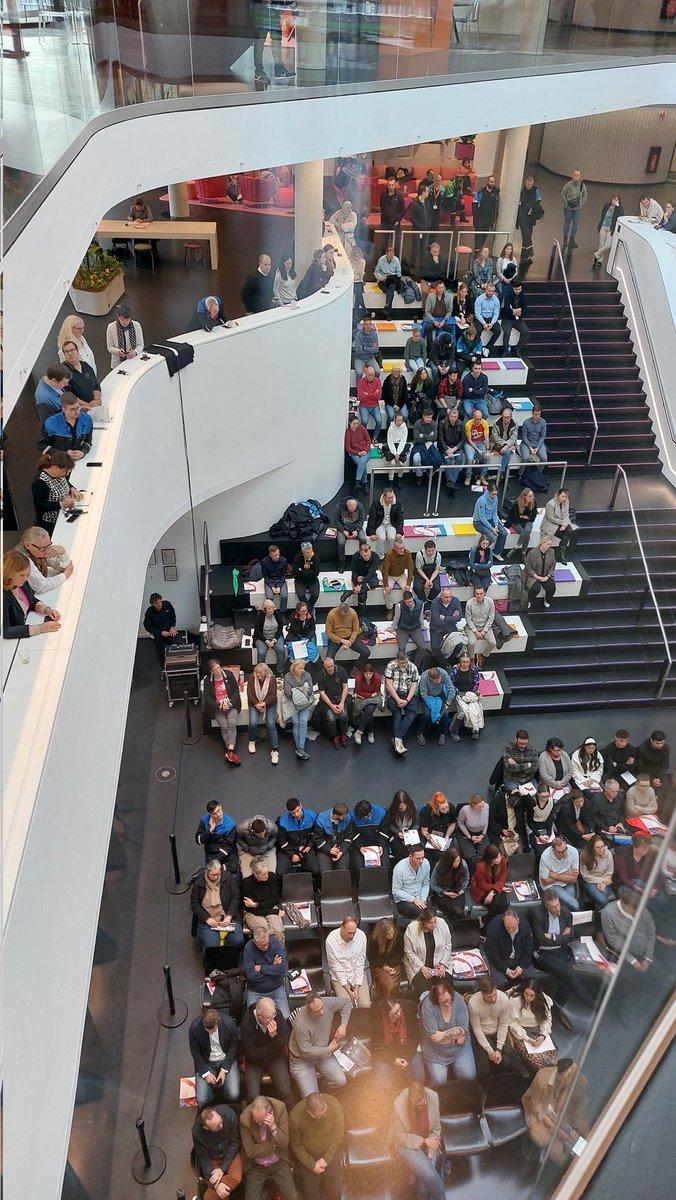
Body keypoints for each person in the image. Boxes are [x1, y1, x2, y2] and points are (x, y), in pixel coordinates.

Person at [531, 890, 592, 1007]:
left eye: (558, 904)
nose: (557, 909)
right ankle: (592, 1004)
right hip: (544, 952)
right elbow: (541, 939)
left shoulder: (565, 911)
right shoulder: (536, 914)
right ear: (546, 906)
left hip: (560, 950)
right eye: (553, 907)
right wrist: (562, 936)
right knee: (568, 974)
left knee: (566, 978)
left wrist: (553, 937)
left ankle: (558, 1005)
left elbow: (571, 936)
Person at [522, 1059, 589, 1165]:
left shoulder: (572, 1073)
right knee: (556, 1144)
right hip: (538, 1112)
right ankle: (569, 1162)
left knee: (573, 1129)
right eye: (564, 1078)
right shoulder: (542, 1080)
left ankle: (582, 1149)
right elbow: (537, 1109)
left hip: (554, 1108)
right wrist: (558, 1131)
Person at [288, 993, 352, 1096]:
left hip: (323, 1055)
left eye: (322, 1007)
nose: (322, 1012)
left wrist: (343, 1025)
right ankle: (313, 1093)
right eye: (317, 1011)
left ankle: (323, 1089)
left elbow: (346, 1003)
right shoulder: (300, 1023)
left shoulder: (326, 1002)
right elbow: (306, 1051)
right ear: (309, 1011)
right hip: (302, 1061)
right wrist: (329, 1049)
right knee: (312, 1099)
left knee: (340, 1080)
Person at [391, 1081, 445, 1200]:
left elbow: (436, 1128)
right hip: (407, 1144)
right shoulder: (398, 1104)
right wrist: (424, 1141)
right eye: (415, 1106)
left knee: (425, 1179)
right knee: (429, 1174)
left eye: (421, 1104)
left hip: (429, 1140)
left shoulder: (433, 1097)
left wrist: (431, 1150)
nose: (419, 1107)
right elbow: (400, 1136)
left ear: (425, 1096)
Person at [413, 981, 476, 1083]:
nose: (446, 1004)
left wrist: (442, 1034)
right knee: (439, 1082)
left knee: (469, 1077)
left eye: (448, 1000)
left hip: (460, 1048)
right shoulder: (428, 1006)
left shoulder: (458, 999)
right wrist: (455, 1039)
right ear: (436, 1000)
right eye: (442, 1002)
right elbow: (433, 1037)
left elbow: (462, 1030)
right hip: (435, 1051)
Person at [240, 1095, 297, 1200]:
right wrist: (272, 1145)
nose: (258, 1123)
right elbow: (250, 1151)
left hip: (278, 1162)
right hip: (256, 1166)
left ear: (270, 1114)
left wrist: (273, 1127)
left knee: (292, 1197)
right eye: (256, 1120)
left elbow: (284, 1142)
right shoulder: (245, 1119)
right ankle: (270, 1194)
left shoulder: (280, 1109)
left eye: (262, 1121)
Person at [289, 1091, 344, 1200]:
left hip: (329, 1152)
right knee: (310, 1195)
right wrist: (311, 1165)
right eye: (319, 1116)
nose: (323, 1116)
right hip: (308, 1156)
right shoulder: (295, 1117)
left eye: (325, 1112)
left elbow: (338, 1134)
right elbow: (296, 1144)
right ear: (309, 1113)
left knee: (335, 1191)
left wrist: (326, 1159)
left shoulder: (334, 1104)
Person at [240, 998, 292, 1109]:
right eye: (268, 1018)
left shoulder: (277, 1015)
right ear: (259, 1016)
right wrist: (273, 1046)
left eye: (273, 1015)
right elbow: (252, 1055)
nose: (272, 1020)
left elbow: (282, 1044)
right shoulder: (246, 1024)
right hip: (255, 1064)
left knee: (286, 1092)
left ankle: (287, 1119)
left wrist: (274, 1037)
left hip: (275, 1059)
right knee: (253, 1097)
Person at [2, 550, 61, 640]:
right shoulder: (3, 597)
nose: (26, 578)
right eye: (22, 575)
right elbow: (6, 631)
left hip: (28, 625)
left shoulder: (21, 583)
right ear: (9, 574)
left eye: (27, 574)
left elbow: (31, 600)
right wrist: (40, 628)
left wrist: (46, 609)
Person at [190, 860, 244, 954]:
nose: (215, 877)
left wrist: (229, 916)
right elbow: (195, 904)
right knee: (212, 946)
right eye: (213, 875)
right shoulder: (199, 883)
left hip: (226, 916)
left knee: (238, 940)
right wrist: (206, 918)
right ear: (207, 871)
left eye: (217, 874)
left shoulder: (227, 877)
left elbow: (235, 897)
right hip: (208, 919)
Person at [189, 1007, 240, 1105]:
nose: (210, 1033)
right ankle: (212, 1097)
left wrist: (224, 1069)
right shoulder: (194, 1028)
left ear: (218, 1021)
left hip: (226, 1059)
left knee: (233, 1094)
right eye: (207, 1029)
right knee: (202, 1100)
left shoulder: (229, 1024)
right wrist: (205, 1073)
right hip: (207, 1062)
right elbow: (195, 1051)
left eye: (213, 1030)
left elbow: (234, 1047)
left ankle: (224, 1096)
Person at [191, 1105, 242, 1200]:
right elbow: (203, 1157)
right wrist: (216, 1185)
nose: (221, 1126)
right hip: (213, 1157)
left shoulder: (229, 1114)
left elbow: (235, 1143)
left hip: (230, 1153)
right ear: (206, 1128)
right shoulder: (197, 1132)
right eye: (217, 1127)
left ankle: (207, 1197)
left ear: (216, 1111)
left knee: (236, 1178)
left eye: (221, 1122)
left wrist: (222, 1169)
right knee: (223, 1192)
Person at [403, 909, 453, 999]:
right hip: (419, 967)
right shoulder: (411, 929)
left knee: (446, 992)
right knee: (426, 996)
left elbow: (448, 945)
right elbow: (409, 952)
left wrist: (443, 964)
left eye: (435, 921)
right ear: (423, 921)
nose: (434, 924)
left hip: (440, 965)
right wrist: (422, 967)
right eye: (431, 922)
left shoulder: (442, 924)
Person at [507, 979, 556, 1071]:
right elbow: (512, 1023)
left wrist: (543, 1035)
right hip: (521, 1029)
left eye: (531, 995)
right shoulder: (515, 1001)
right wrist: (527, 1039)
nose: (528, 998)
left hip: (538, 1029)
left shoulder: (543, 1000)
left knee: (552, 1061)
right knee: (535, 1061)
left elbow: (547, 1019)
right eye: (526, 994)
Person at [601, 888, 656, 970]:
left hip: (645, 951)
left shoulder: (642, 909)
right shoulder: (608, 913)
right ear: (624, 904)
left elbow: (651, 933)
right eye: (634, 911)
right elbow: (613, 940)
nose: (638, 913)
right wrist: (632, 960)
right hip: (625, 954)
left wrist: (648, 958)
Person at [201, 659, 242, 766]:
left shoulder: (229, 674)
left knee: (232, 724)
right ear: (211, 671)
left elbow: (236, 691)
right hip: (216, 707)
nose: (218, 670)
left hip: (231, 704)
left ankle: (230, 751)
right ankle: (231, 752)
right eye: (215, 669)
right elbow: (208, 698)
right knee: (224, 726)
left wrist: (230, 704)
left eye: (219, 667)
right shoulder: (207, 681)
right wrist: (219, 706)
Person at [12, 527, 72, 596]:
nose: (47, 551)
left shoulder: (40, 548)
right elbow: (41, 587)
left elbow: (61, 567)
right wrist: (65, 575)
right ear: (28, 545)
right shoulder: (22, 560)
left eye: (49, 545)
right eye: (43, 548)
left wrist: (62, 551)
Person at [244, 926, 290, 1017]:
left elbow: (281, 968)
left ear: (268, 936)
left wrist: (261, 968)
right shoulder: (248, 948)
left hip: (276, 989)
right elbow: (251, 976)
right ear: (254, 942)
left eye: (267, 944)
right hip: (255, 991)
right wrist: (272, 967)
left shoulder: (275, 943)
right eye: (262, 945)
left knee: (285, 1018)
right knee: (253, 1020)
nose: (265, 947)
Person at [325, 916, 371, 1008]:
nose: (352, 936)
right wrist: (349, 991)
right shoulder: (330, 940)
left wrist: (356, 987)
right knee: (347, 1006)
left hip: (356, 973)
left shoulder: (361, 936)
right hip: (339, 977)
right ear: (342, 928)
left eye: (354, 933)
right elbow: (337, 968)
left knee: (365, 1005)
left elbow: (360, 963)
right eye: (349, 933)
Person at [468, 978, 510, 1076]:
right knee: (484, 1070)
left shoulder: (503, 999)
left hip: (497, 1031)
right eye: (489, 997)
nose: (493, 999)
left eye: (494, 995)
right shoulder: (473, 1003)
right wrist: (490, 1051)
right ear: (482, 994)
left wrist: (498, 1049)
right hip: (481, 1034)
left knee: (508, 1063)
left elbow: (503, 1024)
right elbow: (477, 1029)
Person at [31, 449, 81, 531]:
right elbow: (40, 506)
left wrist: (72, 488)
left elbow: (64, 482)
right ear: (56, 467)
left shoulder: (59, 474)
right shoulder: (40, 482)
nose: (66, 474)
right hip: (49, 523)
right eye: (65, 471)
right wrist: (61, 504)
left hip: (63, 514)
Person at [484, 908, 533, 990]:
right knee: (499, 983)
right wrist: (505, 969)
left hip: (519, 958)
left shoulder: (525, 926)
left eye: (513, 927)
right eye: (507, 927)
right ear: (503, 920)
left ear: (518, 921)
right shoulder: (494, 927)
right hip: (500, 959)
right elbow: (492, 953)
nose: (510, 930)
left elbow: (529, 948)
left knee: (531, 979)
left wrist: (521, 966)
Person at [384, 650, 420, 755]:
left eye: (405, 662)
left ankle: (397, 738)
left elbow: (414, 685)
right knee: (397, 714)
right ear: (397, 661)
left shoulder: (412, 667)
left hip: (408, 693)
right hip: (394, 693)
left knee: (412, 713)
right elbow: (389, 685)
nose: (404, 664)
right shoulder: (391, 666)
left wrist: (407, 700)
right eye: (401, 662)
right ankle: (398, 741)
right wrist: (398, 699)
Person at [251, 0, 295, 83]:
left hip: (273, 9)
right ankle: (259, 71)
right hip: (262, 10)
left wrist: (289, 4)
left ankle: (278, 68)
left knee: (276, 39)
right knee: (260, 40)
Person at [242, 857, 284, 941]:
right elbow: (253, 910)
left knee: (278, 933)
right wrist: (275, 912)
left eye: (267, 872)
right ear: (255, 874)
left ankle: (279, 954)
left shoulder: (272, 877)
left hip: (269, 907)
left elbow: (273, 900)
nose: (267, 876)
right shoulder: (247, 883)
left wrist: (255, 904)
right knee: (263, 933)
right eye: (264, 874)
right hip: (253, 913)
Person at [247, 663, 280, 764]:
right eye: (257, 673)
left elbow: (273, 695)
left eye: (260, 673)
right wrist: (257, 704)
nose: (257, 675)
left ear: (265, 673)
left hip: (269, 704)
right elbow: (250, 694)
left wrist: (264, 704)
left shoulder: (272, 679)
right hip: (255, 703)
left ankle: (275, 749)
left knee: (270, 724)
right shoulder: (251, 678)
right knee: (253, 723)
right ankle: (252, 740)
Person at [282, 659, 314, 760]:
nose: (302, 670)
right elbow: (287, 693)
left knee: (303, 722)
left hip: (304, 702)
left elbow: (310, 690)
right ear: (293, 668)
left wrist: (295, 691)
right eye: (299, 668)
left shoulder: (307, 675)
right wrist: (302, 690)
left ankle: (301, 747)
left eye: (303, 668)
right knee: (296, 723)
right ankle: (298, 747)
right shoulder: (287, 676)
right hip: (292, 704)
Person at [276, 798, 318, 875]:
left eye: (298, 810)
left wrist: (309, 845)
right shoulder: (282, 821)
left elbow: (316, 834)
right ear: (289, 812)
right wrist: (291, 855)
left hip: (307, 849)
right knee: (280, 873)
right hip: (289, 849)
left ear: (301, 805)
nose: (296, 814)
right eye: (292, 813)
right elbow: (282, 841)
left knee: (316, 870)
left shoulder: (313, 816)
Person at [324, 598, 371, 666]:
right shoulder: (331, 614)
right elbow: (328, 632)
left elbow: (355, 630)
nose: (343, 617)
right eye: (341, 615)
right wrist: (341, 640)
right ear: (338, 611)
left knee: (366, 652)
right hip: (336, 637)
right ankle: (336, 670)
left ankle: (356, 668)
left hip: (349, 636)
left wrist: (350, 642)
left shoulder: (352, 613)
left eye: (345, 615)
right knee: (328, 659)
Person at [538, 837, 581, 910]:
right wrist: (566, 873)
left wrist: (554, 876)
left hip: (567, 883)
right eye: (560, 852)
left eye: (565, 849)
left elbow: (573, 879)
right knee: (574, 904)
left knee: (570, 905)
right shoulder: (545, 857)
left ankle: (567, 918)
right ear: (554, 851)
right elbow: (545, 881)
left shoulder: (573, 851)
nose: (565, 853)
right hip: (552, 885)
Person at [449, 653, 484, 742]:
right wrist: (459, 694)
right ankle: (453, 731)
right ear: (460, 662)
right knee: (461, 713)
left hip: (470, 693)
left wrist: (473, 693)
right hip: (458, 694)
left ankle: (475, 729)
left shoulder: (473, 669)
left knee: (476, 710)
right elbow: (451, 683)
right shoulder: (455, 669)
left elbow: (476, 682)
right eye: (463, 662)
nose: (466, 664)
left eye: (467, 662)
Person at [430, 844, 469, 922]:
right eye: (454, 861)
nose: (457, 863)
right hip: (443, 894)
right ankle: (465, 926)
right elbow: (432, 884)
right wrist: (445, 893)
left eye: (458, 860)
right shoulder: (439, 866)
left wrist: (462, 890)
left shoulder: (463, 864)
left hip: (457, 892)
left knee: (457, 911)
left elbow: (466, 879)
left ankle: (456, 926)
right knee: (456, 911)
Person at [196, 800, 239, 872]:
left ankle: (215, 869)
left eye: (219, 810)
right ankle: (203, 872)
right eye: (214, 814)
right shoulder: (204, 820)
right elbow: (198, 840)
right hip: (212, 852)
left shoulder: (230, 824)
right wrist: (210, 830)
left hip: (227, 852)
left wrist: (217, 861)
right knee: (213, 868)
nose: (218, 814)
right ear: (210, 814)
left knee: (234, 867)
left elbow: (227, 846)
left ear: (221, 806)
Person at [469, 844, 508, 921]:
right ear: (490, 858)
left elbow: (502, 878)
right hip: (481, 890)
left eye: (500, 856)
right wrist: (497, 888)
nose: (499, 859)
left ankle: (485, 919)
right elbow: (482, 885)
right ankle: (488, 923)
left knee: (503, 906)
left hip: (495, 887)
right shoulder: (481, 866)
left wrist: (493, 891)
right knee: (498, 907)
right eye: (496, 857)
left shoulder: (502, 860)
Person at [418, 665, 455, 746]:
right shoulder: (424, 678)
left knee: (445, 712)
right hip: (427, 696)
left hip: (439, 694)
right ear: (430, 679)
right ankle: (420, 733)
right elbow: (423, 695)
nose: (438, 681)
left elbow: (451, 690)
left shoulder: (444, 673)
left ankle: (443, 733)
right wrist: (433, 707)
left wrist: (447, 703)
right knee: (427, 713)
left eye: (439, 679)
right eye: (435, 680)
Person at [316, 658, 349, 748]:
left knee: (344, 715)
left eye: (331, 666)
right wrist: (331, 706)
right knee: (331, 718)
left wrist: (342, 703)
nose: (330, 668)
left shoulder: (341, 670)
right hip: (328, 700)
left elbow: (345, 687)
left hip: (340, 697)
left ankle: (344, 734)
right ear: (324, 666)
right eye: (328, 667)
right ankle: (334, 736)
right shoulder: (320, 675)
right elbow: (322, 693)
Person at [59, 340, 101, 410]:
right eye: (67, 351)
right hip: (79, 409)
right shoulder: (63, 372)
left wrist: (96, 399)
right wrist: (88, 404)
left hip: (94, 406)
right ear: (64, 354)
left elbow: (96, 385)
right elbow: (68, 395)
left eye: (72, 350)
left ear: (77, 351)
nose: (70, 353)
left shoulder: (86, 366)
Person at [420, 791, 458, 866]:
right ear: (436, 807)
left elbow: (452, 824)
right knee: (440, 856)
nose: (446, 810)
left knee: (452, 854)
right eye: (443, 809)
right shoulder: (428, 810)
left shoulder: (451, 808)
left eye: (446, 807)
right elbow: (424, 831)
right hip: (431, 835)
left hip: (445, 834)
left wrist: (447, 836)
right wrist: (432, 842)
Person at [348, 662, 382, 747]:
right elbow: (358, 692)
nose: (368, 675)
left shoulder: (377, 678)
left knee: (369, 709)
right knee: (369, 712)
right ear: (363, 673)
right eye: (366, 673)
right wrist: (370, 695)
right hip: (364, 697)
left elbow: (376, 691)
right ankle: (370, 731)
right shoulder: (358, 678)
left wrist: (365, 695)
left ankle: (359, 732)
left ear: (373, 673)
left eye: (370, 673)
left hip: (372, 699)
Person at [392, 846, 431, 919]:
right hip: (404, 900)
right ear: (410, 857)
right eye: (418, 858)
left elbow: (426, 884)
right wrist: (414, 900)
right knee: (424, 915)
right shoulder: (399, 869)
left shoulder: (426, 864)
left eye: (423, 857)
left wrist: (423, 899)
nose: (421, 861)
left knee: (429, 914)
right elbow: (396, 891)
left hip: (420, 897)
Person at [142, 591, 179, 666]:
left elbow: (173, 615)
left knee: (180, 645)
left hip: (170, 632)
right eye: (157, 603)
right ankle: (164, 669)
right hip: (159, 635)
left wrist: (173, 626)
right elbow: (148, 627)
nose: (159, 605)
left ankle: (179, 664)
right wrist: (160, 633)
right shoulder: (149, 613)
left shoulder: (167, 605)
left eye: (160, 602)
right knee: (160, 654)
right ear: (152, 604)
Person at [367, 485, 404, 558]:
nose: (391, 499)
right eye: (389, 498)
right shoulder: (376, 502)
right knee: (381, 538)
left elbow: (400, 518)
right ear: (384, 497)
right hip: (380, 524)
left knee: (392, 538)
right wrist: (371, 532)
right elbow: (372, 517)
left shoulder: (397, 503)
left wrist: (399, 531)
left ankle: (391, 557)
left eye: (392, 497)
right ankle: (380, 558)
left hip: (391, 524)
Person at [314, 802, 352, 872]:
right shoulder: (321, 820)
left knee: (342, 871)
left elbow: (348, 837)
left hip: (341, 848)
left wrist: (341, 851)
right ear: (335, 816)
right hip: (325, 850)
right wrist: (329, 850)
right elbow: (318, 840)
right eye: (343, 816)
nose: (345, 817)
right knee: (325, 872)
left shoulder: (347, 818)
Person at [429, 585, 463, 663]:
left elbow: (459, 617)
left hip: (451, 628)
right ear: (441, 597)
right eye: (446, 597)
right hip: (437, 628)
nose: (448, 599)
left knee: (459, 645)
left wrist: (445, 618)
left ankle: (447, 660)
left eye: (450, 597)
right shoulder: (435, 603)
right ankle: (445, 665)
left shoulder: (455, 601)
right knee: (434, 647)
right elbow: (436, 621)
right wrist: (452, 618)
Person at [382, 534, 414, 616]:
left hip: (401, 575)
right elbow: (385, 570)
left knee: (408, 590)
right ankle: (390, 609)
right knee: (386, 592)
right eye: (400, 549)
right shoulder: (389, 554)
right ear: (395, 548)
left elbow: (410, 568)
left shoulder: (407, 553)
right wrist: (386, 585)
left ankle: (406, 608)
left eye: (403, 547)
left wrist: (408, 584)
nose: (402, 550)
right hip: (390, 576)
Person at [465, 584, 497, 666]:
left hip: (485, 626)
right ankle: (471, 658)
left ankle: (482, 656)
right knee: (471, 643)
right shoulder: (469, 603)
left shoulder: (490, 602)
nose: (479, 595)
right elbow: (468, 619)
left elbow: (491, 618)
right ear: (475, 594)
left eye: (481, 593)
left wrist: (484, 631)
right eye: (477, 593)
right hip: (473, 627)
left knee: (493, 642)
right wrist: (475, 631)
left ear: (484, 593)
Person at [579, 836, 614, 909]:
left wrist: (603, 884)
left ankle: (598, 915)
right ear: (592, 848)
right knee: (602, 900)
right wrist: (600, 881)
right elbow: (585, 876)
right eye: (597, 847)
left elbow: (609, 872)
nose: (601, 849)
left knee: (603, 900)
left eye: (602, 846)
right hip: (589, 880)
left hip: (604, 879)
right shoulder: (585, 855)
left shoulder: (608, 854)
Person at [540, 488, 574, 563]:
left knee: (569, 531)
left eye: (566, 497)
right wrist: (562, 523)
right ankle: (560, 554)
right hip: (551, 523)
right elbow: (551, 518)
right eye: (563, 496)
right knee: (565, 535)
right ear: (558, 495)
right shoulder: (550, 504)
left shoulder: (566, 502)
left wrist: (564, 525)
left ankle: (561, 553)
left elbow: (566, 515)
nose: (564, 499)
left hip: (562, 522)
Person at [410, 407, 443, 482]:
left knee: (438, 458)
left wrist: (423, 435)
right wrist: (429, 436)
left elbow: (434, 438)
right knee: (416, 458)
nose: (429, 419)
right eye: (428, 417)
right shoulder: (417, 423)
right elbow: (416, 438)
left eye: (430, 417)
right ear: (423, 416)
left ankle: (430, 475)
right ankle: (419, 475)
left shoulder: (434, 424)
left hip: (430, 444)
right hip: (418, 444)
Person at [456, 793, 490, 863]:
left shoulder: (486, 807)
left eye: (483, 806)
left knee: (486, 854)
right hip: (467, 833)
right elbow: (460, 823)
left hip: (481, 832)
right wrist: (470, 837)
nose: (482, 808)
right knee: (470, 857)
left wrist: (483, 834)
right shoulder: (465, 810)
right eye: (479, 806)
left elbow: (486, 821)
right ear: (473, 805)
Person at [524, 536, 556, 609]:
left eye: (550, 544)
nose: (549, 546)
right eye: (547, 544)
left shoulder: (552, 552)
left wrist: (548, 576)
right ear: (542, 543)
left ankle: (547, 600)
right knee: (535, 589)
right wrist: (537, 576)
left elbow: (553, 565)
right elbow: (528, 567)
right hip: (534, 575)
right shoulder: (532, 553)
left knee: (551, 587)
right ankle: (529, 601)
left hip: (545, 575)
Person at [500, 278, 530, 356]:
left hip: (518, 319)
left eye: (519, 289)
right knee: (507, 333)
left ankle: (517, 348)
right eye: (516, 289)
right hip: (507, 318)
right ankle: (505, 349)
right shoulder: (507, 295)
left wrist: (517, 311)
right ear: (513, 288)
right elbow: (506, 309)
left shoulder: (523, 296)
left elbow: (525, 310)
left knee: (526, 332)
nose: (517, 291)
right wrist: (516, 311)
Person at [333, 496, 366, 568]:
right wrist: (343, 531)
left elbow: (361, 519)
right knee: (341, 542)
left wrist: (357, 530)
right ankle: (341, 563)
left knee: (363, 539)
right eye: (351, 510)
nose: (352, 512)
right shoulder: (339, 506)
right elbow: (336, 520)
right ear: (347, 506)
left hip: (356, 526)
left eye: (354, 510)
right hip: (343, 527)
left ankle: (362, 560)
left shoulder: (360, 506)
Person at [593, 193, 624, 269]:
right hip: (603, 227)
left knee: (608, 245)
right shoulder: (607, 205)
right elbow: (602, 214)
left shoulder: (618, 209)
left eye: (616, 200)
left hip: (611, 229)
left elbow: (621, 216)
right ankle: (599, 260)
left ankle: (597, 254)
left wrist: (618, 206)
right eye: (614, 199)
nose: (614, 201)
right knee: (601, 244)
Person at [516, 176, 542, 264]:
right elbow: (519, 205)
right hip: (523, 217)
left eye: (531, 184)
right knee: (526, 234)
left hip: (531, 218)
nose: (529, 186)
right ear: (525, 183)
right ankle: (529, 252)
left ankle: (525, 254)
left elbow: (538, 202)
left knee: (527, 235)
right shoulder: (522, 192)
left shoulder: (536, 190)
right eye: (528, 184)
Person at [393, 589, 427, 657]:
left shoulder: (420, 604)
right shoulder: (399, 606)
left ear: (412, 598)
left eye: (410, 601)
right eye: (407, 602)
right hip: (402, 629)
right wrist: (393, 627)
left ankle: (416, 665)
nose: (409, 604)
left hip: (415, 628)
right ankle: (403, 664)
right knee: (401, 649)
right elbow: (396, 618)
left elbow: (420, 616)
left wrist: (422, 625)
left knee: (423, 648)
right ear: (403, 601)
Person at [350, 542, 380, 619]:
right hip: (359, 576)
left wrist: (360, 585)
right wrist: (357, 577)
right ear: (360, 553)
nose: (367, 557)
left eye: (368, 555)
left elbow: (371, 573)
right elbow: (354, 571)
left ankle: (351, 592)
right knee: (362, 595)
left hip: (369, 576)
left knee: (375, 582)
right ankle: (361, 616)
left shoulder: (375, 556)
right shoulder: (355, 556)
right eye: (364, 556)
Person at [438, 407, 465, 491]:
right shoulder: (442, 423)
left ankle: (451, 482)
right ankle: (452, 482)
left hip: (456, 446)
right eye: (452, 416)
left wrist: (453, 449)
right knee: (448, 461)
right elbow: (440, 438)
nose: (453, 418)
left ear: (457, 417)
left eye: (455, 416)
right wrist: (447, 450)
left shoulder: (461, 424)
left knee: (460, 459)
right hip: (445, 446)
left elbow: (463, 439)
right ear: (448, 416)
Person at [421, 280, 454, 350]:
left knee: (449, 327)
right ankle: (430, 347)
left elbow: (449, 311)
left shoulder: (448, 297)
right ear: (436, 288)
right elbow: (427, 312)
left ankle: (445, 346)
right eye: (439, 288)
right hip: (433, 318)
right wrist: (434, 321)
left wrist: (444, 321)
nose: (441, 289)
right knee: (428, 327)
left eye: (442, 287)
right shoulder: (430, 297)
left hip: (443, 318)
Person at [506, 487, 537, 559]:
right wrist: (525, 517)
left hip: (527, 520)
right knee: (527, 536)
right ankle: (523, 553)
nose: (532, 498)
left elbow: (533, 517)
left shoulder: (534, 502)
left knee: (527, 531)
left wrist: (523, 517)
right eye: (530, 496)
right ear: (524, 496)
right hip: (515, 521)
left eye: (532, 496)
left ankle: (516, 547)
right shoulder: (517, 503)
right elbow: (515, 517)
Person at [406, 182, 431, 270]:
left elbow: (429, 214)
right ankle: (412, 266)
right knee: (415, 248)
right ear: (423, 192)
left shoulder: (427, 202)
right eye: (427, 191)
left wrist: (429, 225)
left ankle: (422, 266)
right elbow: (411, 218)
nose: (428, 193)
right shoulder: (415, 203)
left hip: (426, 230)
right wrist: (420, 226)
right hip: (417, 231)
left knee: (424, 249)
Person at [561, 168, 587, 249]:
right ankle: (565, 240)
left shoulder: (582, 185)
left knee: (575, 225)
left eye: (577, 175)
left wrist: (581, 204)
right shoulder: (568, 184)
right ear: (572, 176)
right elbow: (562, 193)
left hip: (577, 209)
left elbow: (585, 195)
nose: (576, 176)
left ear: (580, 176)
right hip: (568, 208)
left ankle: (572, 240)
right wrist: (566, 203)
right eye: (575, 175)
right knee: (566, 224)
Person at [490, 406, 518, 480]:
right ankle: (503, 473)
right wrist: (506, 445)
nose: (506, 419)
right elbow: (495, 437)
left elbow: (513, 437)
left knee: (507, 451)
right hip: (497, 443)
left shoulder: (515, 424)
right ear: (502, 416)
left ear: (511, 417)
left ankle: (502, 473)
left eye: (508, 417)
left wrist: (506, 445)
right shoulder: (496, 423)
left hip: (508, 444)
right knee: (508, 451)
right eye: (504, 417)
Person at [474, 280, 502, 355]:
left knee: (498, 331)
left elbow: (496, 314)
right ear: (485, 290)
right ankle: (477, 348)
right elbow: (477, 314)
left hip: (491, 318)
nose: (491, 293)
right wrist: (484, 323)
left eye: (492, 291)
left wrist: (492, 323)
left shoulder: (496, 300)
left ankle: (487, 348)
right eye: (489, 291)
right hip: (481, 318)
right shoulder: (479, 299)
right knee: (477, 331)